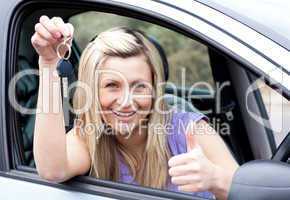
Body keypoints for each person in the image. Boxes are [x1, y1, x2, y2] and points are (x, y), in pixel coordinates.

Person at [32, 15, 238, 200]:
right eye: (112, 86)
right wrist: (50, 64)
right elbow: (53, 170)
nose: (126, 101)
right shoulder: (89, 136)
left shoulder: (190, 130)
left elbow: (248, 193)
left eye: (139, 86)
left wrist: (214, 179)